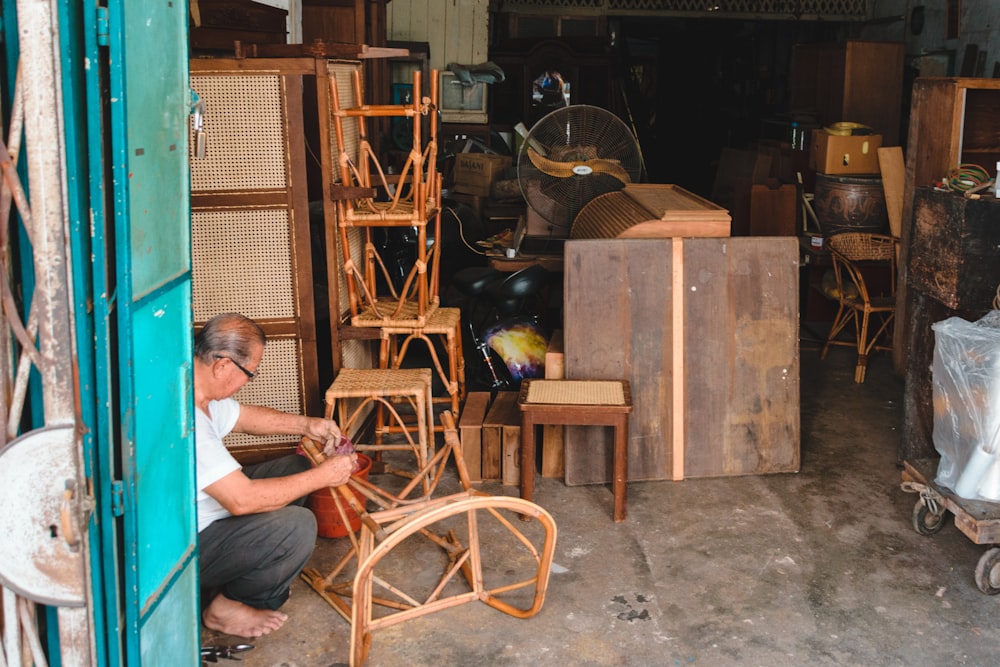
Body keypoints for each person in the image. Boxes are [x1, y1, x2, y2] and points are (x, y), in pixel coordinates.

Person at [193, 312, 356, 638]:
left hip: (204, 509)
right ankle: (223, 607)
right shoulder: (187, 420)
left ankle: (241, 572)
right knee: (296, 526)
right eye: (249, 374)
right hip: (186, 542)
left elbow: (243, 417)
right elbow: (242, 500)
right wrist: (324, 476)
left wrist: (307, 424)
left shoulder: (197, 387)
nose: (248, 382)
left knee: (298, 468)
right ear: (223, 366)